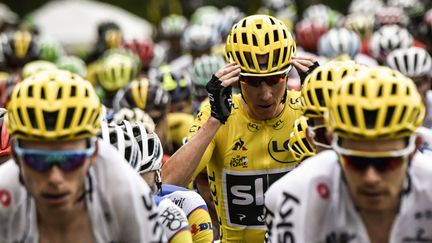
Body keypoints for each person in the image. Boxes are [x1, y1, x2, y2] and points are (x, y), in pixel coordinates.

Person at [163, 14, 318, 242]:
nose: (265, 94)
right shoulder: (217, 114)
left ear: (287, 74)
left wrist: (323, 108)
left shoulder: (306, 107)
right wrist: (214, 121)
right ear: (236, 79)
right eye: (253, 82)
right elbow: (166, 184)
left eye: (275, 80)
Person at [265, 66, 431, 242]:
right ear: (333, 145)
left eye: (386, 163)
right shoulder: (299, 194)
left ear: (414, 148)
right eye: (355, 161)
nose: (371, 177)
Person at [0, 70, 164, 243]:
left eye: (71, 160)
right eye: (38, 160)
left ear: (94, 154)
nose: (55, 178)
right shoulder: (5, 193)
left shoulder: (123, 191)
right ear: (17, 158)